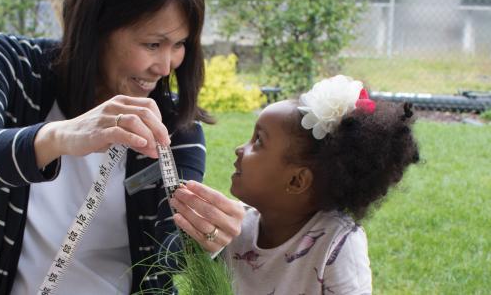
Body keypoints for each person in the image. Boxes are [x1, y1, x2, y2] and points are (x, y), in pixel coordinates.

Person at [0, 0, 244, 294]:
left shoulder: (174, 126)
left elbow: (169, 250)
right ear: (96, 28)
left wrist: (203, 235)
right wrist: (63, 135)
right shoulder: (9, 63)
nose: (166, 67)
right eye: (153, 44)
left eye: (180, 44)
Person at [170, 75, 420, 294]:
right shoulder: (236, 227)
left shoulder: (338, 244)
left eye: (258, 141)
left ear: (297, 180)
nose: (239, 149)